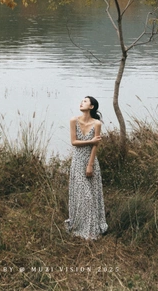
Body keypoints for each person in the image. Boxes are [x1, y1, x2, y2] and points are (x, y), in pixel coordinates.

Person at [65, 95, 108, 240]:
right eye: (81, 101)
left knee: (92, 195)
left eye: (85, 101)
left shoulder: (97, 123)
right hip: (77, 161)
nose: (81, 103)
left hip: (91, 161)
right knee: (84, 196)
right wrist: (90, 141)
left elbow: (95, 146)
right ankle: (81, 226)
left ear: (91, 107)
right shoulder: (74, 120)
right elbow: (74, 142)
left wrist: (90, 165)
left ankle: (91, 230)